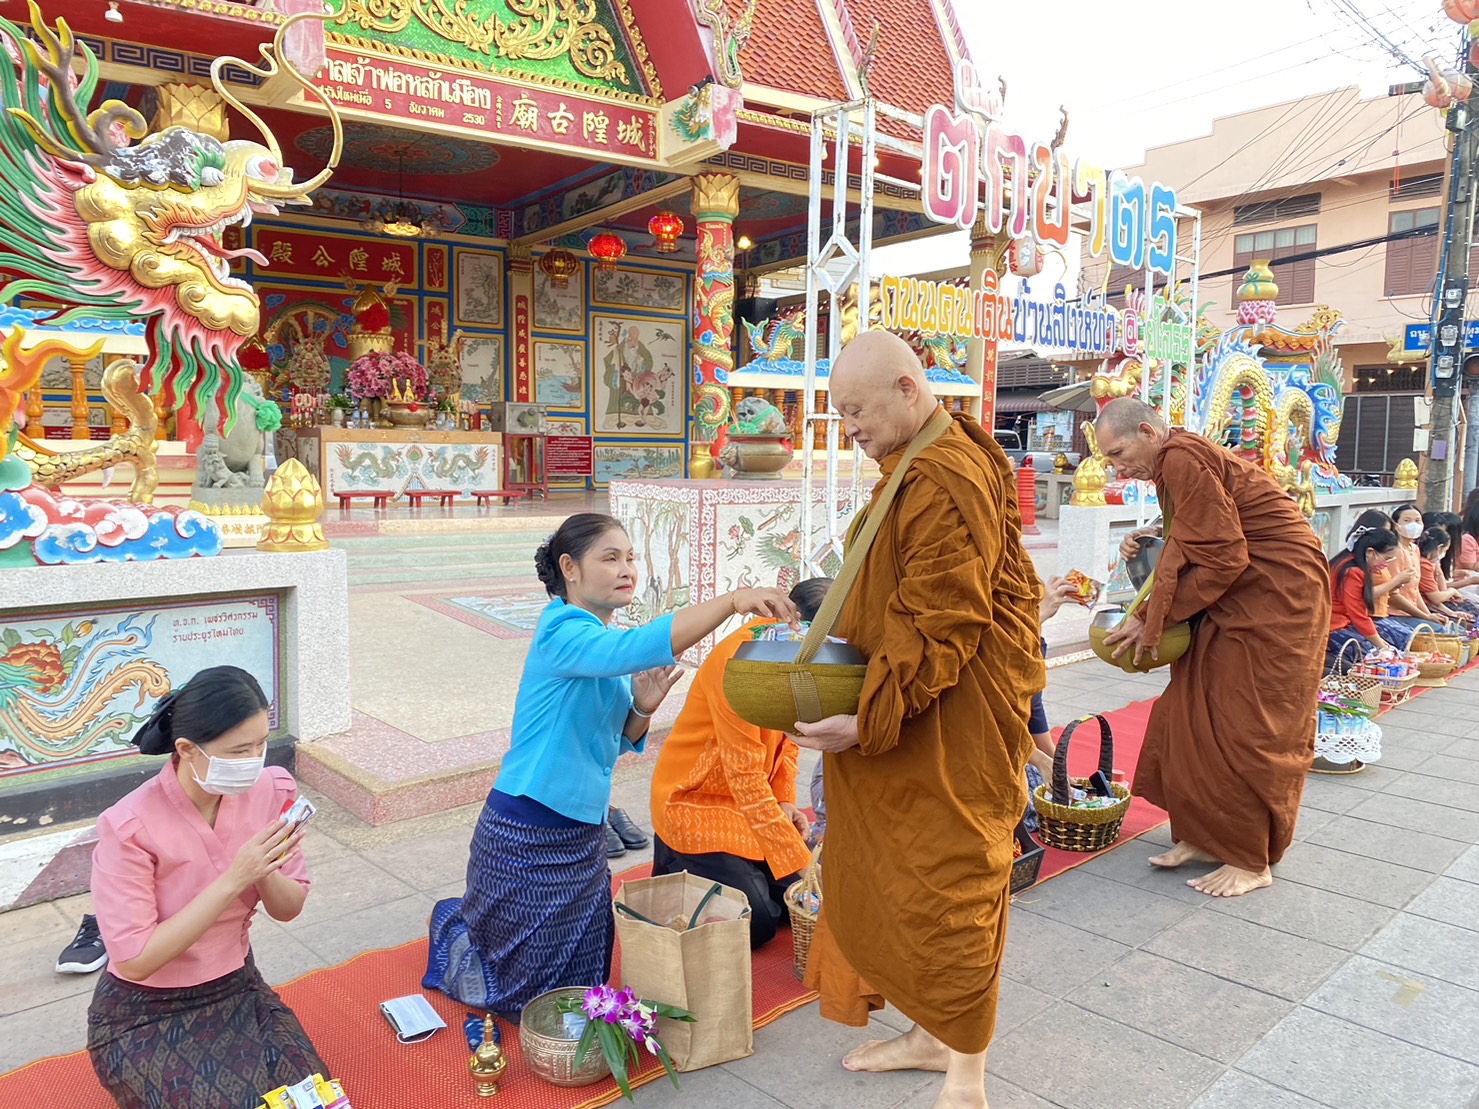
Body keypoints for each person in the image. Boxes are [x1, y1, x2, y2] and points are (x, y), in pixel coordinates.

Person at [788, 331, 1044, 1109]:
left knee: (948, 885)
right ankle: (930, 1033)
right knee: (901, 881)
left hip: (948, 721)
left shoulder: (940, 474)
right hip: (918, 708)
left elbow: (944, 619)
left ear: (906, 388)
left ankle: (964, 1074)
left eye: (857, 410)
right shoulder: (929, 455)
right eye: (839, 415)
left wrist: (867, 721)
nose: (851, 427)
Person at [424, 513, 798, 1020]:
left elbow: (617, 742)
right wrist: (733, 601)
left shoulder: (600, 639)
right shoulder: (561, 629)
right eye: (610, 557)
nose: (627, 570)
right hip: (528, 822)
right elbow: (634, 647)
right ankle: (452, 927)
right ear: (569, 568)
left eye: (630, 558)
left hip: (582, 828)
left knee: (579, 976)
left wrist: (642, 707)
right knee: (517, 992)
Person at [1096, 397, 1330, 899]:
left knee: (1246, 722)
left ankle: (1250, 858)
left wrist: (1150, 618)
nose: (1117, 468)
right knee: (1191, 711)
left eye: (1117, 453)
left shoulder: (1178, 458)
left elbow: (1223, 557)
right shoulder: (1173, 461)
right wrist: (1155, 536)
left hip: (1276, 598)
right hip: (1242, 594)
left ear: (1146, 431)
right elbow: (1206, 528)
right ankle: (1204, 837)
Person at [87, 667, 325, 1109]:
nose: (254, 759)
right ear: (186, 750)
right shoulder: (129, 828)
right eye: (239, 750)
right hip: (146, 1009)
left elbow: (289, 908)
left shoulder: (273, 790)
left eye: (260, 744)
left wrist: (265, 869)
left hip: (236, 986)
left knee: (308, 1098)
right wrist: (236, 876)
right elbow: (136, 961)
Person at [648, 578, 833, 950]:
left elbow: (790, 740)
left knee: (789, 896)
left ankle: (720, 874)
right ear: (795, 624)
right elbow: (745, 776)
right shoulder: (742, 665)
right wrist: (804, 866)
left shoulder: (790, 653)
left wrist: (784, 801)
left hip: (748, 805)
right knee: (759, 921)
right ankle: (672, 861)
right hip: (696, 804)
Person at [1328, 527, 1401, 667]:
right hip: (1333, 626)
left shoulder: (1346, 561)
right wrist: (1382, 647)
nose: (1387, 564)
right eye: (1387, 558)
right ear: (1370, 552)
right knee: (1372, 656)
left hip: (1341, 622)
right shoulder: (1352, 572)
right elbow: (1358, 614)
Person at [1384, 504, 1443, 637]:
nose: (1413, 524)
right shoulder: (1395, 551)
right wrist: (1425, 617)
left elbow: (1414, 590)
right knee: (1439, 632)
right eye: (1407, 520)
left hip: (1412, 613)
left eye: (1417, 521)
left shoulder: (1414, 549)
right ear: (1396, 525)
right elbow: (1393, 594)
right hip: (1395, 613)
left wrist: (1428, 615)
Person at [1419, 526, 1478, 624]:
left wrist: (1451, 613)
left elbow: (1439, 593)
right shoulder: (1424, 565)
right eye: (1445, 550)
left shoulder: (1430, 564)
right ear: (1439, 548)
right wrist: (1452, 591)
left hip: (1433, 606)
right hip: (1427, 609)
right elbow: (1436, 598)